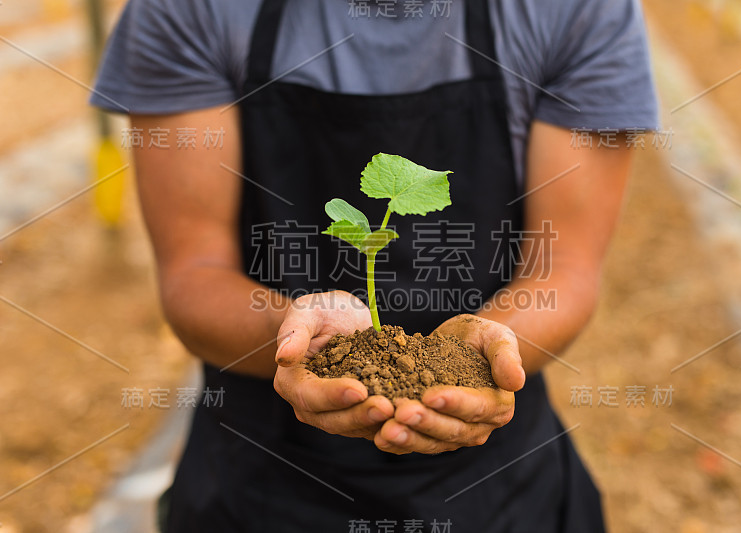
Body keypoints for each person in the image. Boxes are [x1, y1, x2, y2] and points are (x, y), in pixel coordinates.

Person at [91, 0, 658, 531]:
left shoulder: (580, 9)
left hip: (498, 485)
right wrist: (287, 333)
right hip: (261, 475)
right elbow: (192, 273)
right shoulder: (189, 8)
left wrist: (484, 354)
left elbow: (566, 272)